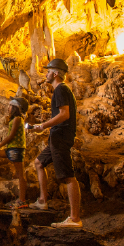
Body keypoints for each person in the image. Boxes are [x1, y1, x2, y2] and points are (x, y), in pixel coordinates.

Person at [30, 58, 83, 228]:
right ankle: (42, 200)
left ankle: (75, 219)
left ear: (55, 73)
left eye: (48, 71)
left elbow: (64, 114)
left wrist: (43, 126)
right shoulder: (61, 90)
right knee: (39, 163)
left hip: (60, 136)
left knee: (68, 176)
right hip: (56, 137)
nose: (46, 74)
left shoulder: (60, 89)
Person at [0, 97, 30, 209]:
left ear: (15, 108)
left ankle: (22, 200)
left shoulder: (18, 119)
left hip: (16, 149)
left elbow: (11, 136)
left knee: (20, 175)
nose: (8, 108)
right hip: (11, 149)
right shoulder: (14, 119)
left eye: (10, 106)